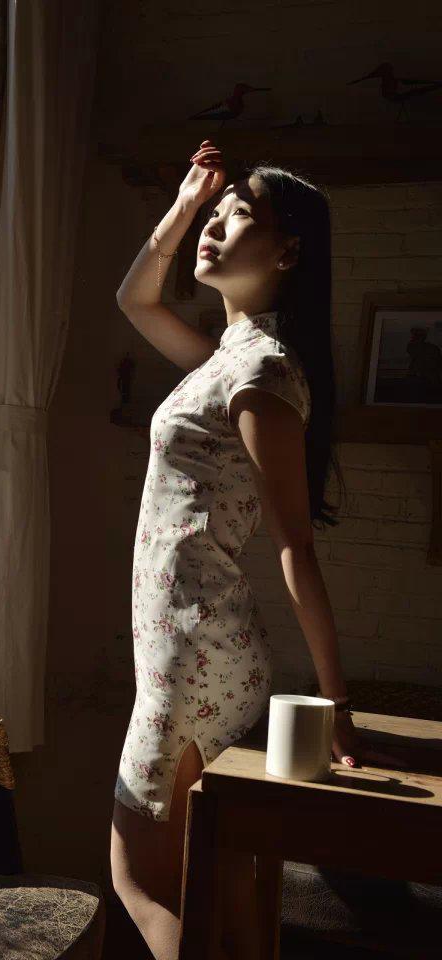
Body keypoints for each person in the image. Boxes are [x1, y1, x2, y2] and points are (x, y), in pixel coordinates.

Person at [110, 140, 404, 960]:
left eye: (239, 214)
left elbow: (295, 548)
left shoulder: (264, 373)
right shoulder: (227, 360)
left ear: (287, 253)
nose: (215, 225)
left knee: (142, 882)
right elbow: (134, 299)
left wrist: (337, 706)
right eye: (216, 213)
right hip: (190, 649)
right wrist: (184, 205)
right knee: (218, 894)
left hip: (194, 652)